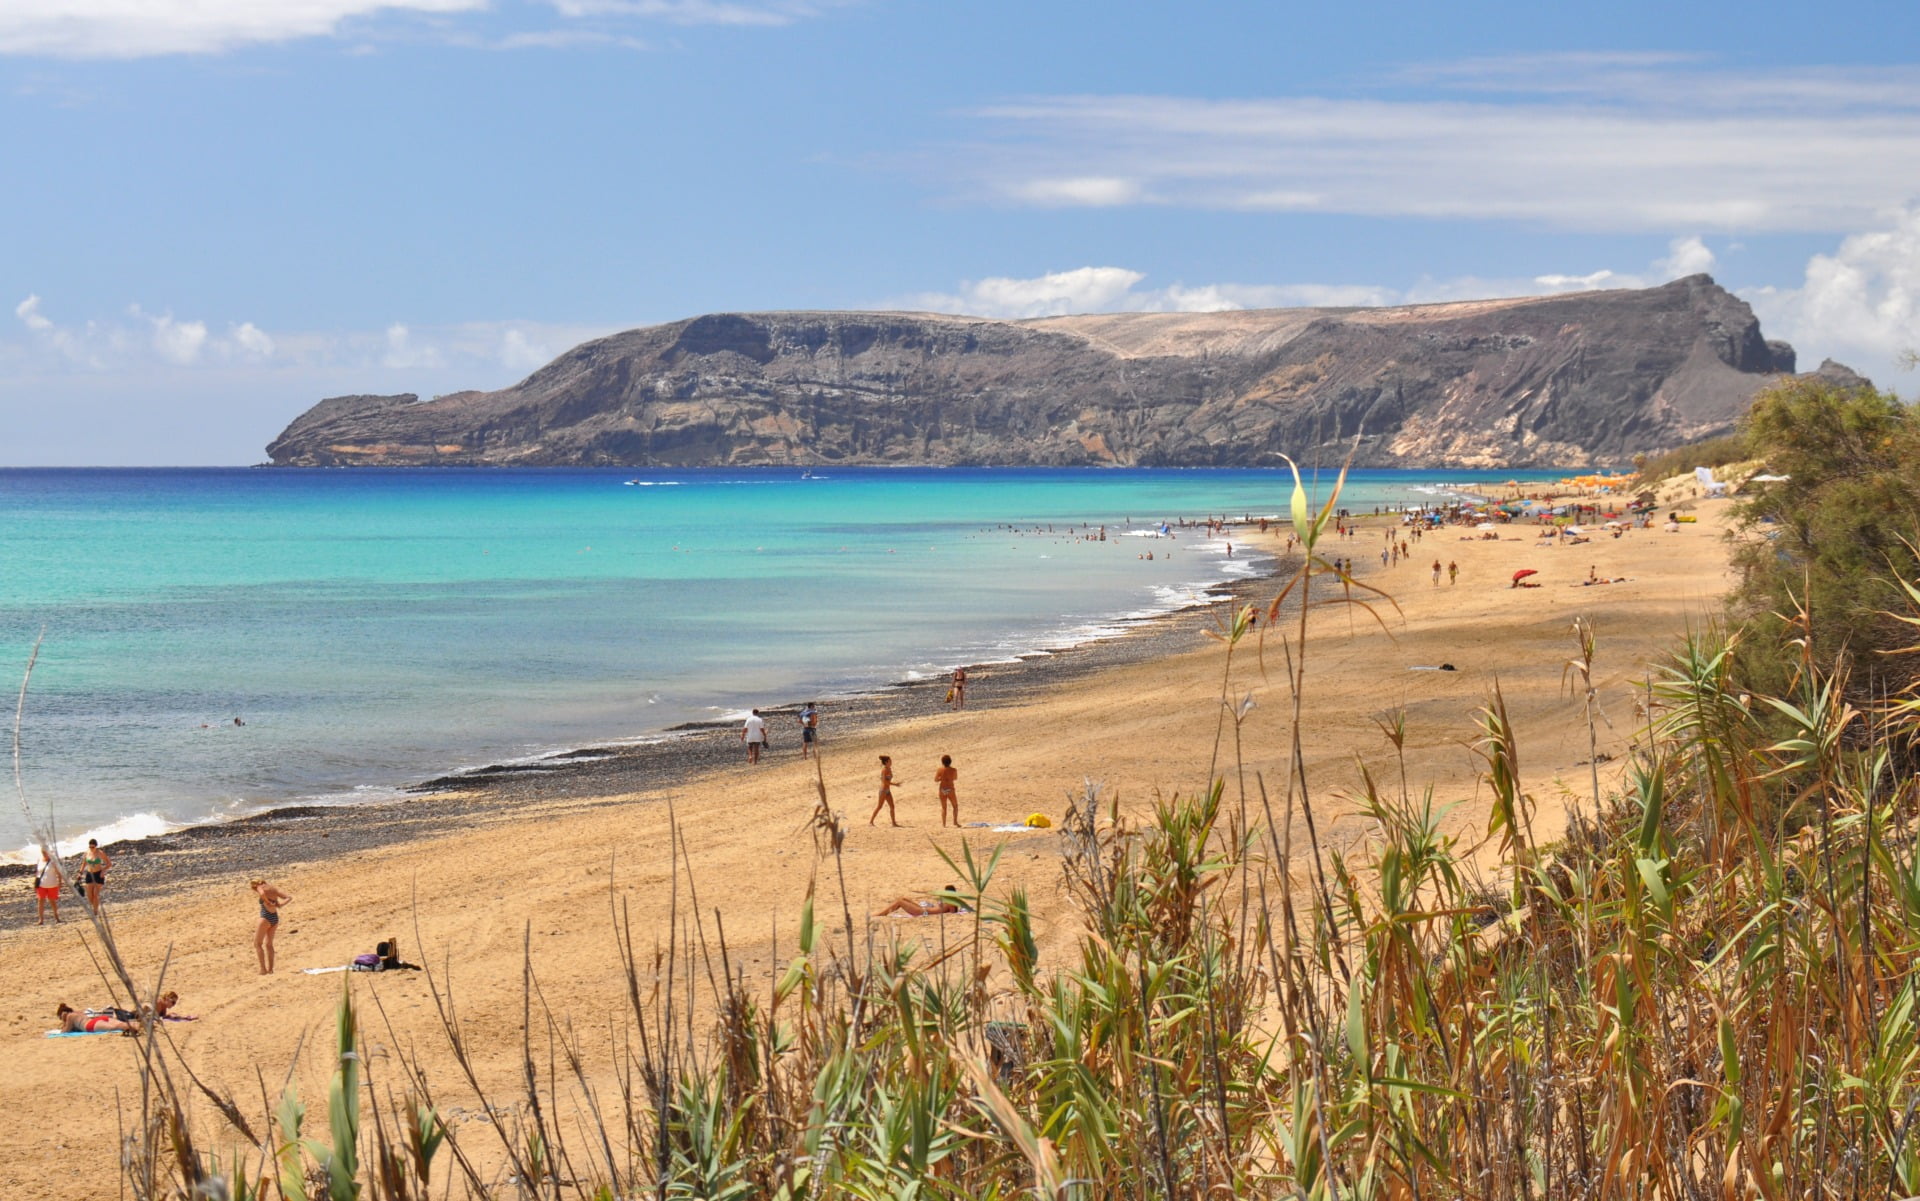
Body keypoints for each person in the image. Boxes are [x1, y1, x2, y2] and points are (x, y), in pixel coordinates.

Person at [250, 878, 291, 974]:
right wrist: (280, 905)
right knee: (269, 944)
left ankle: (263, 969)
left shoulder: (260, 887)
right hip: (274, 918)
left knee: (257, 944)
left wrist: (267, 901)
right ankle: (271, 969)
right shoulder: (273, 888)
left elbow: (262, 894)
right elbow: (288, 897)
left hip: (265, 917)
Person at [874, 886, 968, 918]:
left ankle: (881, 914)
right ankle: (882, 913)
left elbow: (953, 911)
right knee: (903, 899)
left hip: (923, 912)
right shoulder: (948, 901)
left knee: (900, 902)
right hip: (922, 909)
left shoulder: (951, 903)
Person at [55, 1002, 138, 1035]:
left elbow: (65, 1031)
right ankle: (138, 1025)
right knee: (119, 1023)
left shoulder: (70, 1016)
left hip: (90, 1025)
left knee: (116, 1027)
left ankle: (134, 1027)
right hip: (98, 1019)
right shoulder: (78, 1012)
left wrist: (64, 1022)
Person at [34, 845, 64, 924]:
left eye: (45, 852)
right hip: (41, 884)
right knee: (40, 901)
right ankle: (41, 920)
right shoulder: (39, 860)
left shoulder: (53, 861)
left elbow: (59, 873)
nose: (44, 854)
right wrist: (35, 883)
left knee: (52, 901)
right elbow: (37, 873)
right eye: (43, 852)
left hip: (52, 884)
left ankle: (57, 918)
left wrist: (60, 882)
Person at [79, 839, 109, 911]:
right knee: (89, 895)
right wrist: (80, 873)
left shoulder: (100, 853)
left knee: (95, 895)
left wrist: (103, 871)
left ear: (96, 846)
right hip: (89, 874)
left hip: (98, 874)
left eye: (93, 847)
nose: (91, 849)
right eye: (90, 847)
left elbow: (109, 863)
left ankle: (95, 911)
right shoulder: (87, 852)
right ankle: (94, 907)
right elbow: (84, 864)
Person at [869, 755, 899, 827]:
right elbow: (884, 781)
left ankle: (893, 823)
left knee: (892, 807)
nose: (891, 762)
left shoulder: (889, 769)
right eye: (890, 761)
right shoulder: (884, 770)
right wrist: (895, 784)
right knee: (879, 806)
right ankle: (871, 821)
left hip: (888, 790)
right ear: (886, 762)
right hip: (883, 791)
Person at [934, 754, 959, 827]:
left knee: (944, 807)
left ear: (942, 762)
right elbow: (955, 778)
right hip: (950, 789)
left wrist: (941, 778)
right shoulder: (954, 770)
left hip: (942, 789)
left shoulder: (939, 770)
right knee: (955, 806)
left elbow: (935, 780)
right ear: (950, 761)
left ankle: (944, 824)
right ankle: (955, 822)